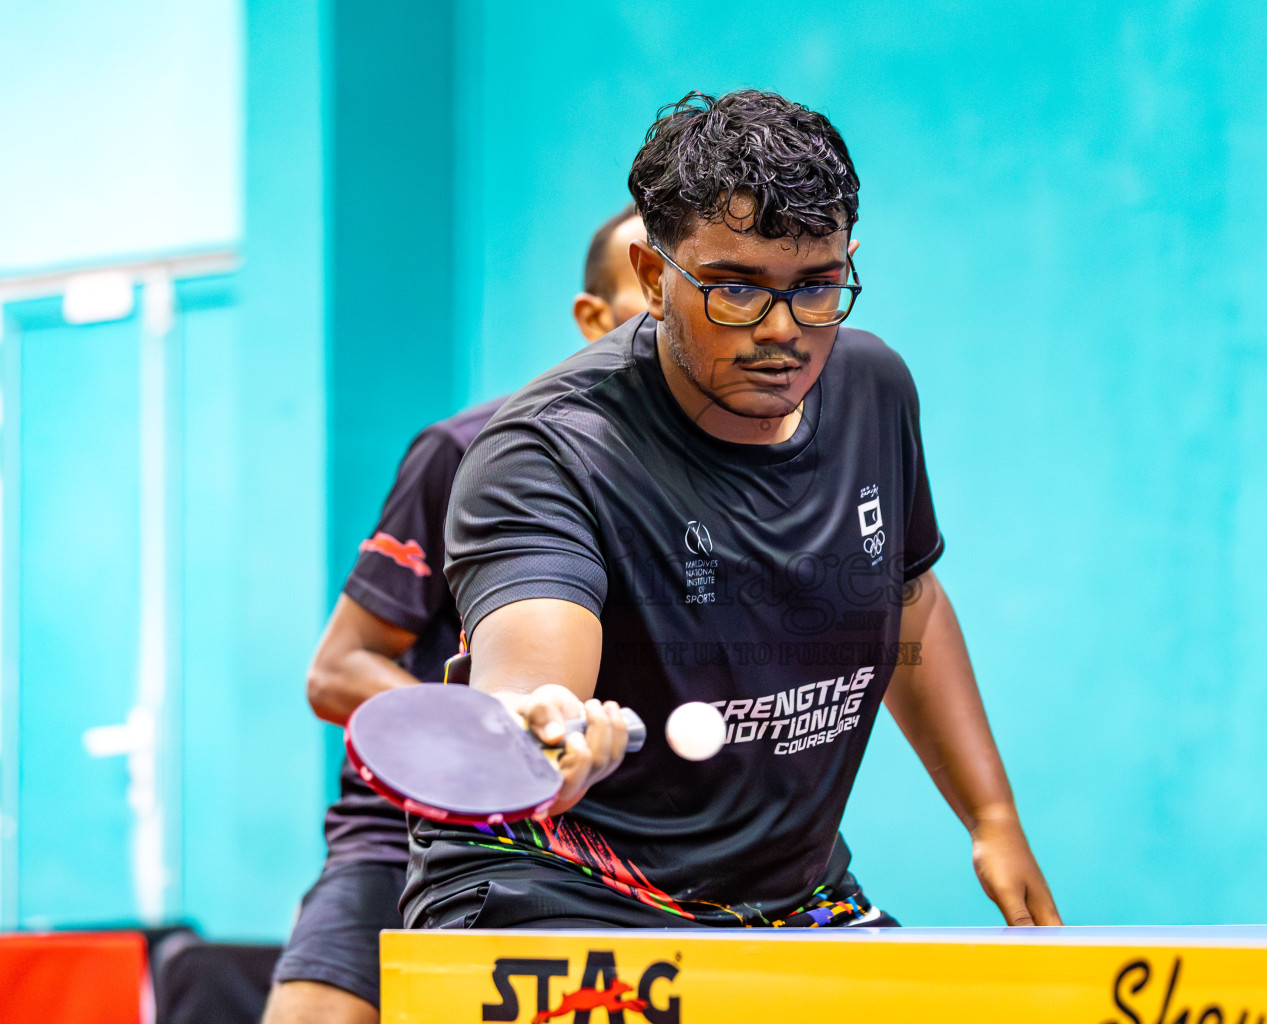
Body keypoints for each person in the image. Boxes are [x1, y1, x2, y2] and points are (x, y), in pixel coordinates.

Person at [403, 90, 1061, 932]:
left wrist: (991, 818)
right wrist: (543, 730)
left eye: (816, 287)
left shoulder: (873, 390)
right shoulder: (547, 449)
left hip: (785, 895)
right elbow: (533, 664)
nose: (781, 329)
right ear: (651, 276)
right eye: (734, 289)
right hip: (559, 890)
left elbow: (907, 601)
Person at [261, 206, 649, 1024]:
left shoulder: (746, 471)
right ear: (592, 319)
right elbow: (335, 673)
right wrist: (502, 724)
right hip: (417, 829)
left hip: (622, 841)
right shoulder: (469, 450)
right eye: (650, 294)